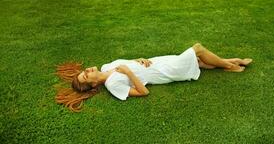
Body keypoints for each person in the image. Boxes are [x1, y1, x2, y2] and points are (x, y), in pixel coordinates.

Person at [55, 43, 253, 112]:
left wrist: (137, 59)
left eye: (85, 71)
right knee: (197, 49)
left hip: (156, 61)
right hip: (163, 73)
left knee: (200, 61)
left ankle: (231, 61)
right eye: (86, 75)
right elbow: (143, 92)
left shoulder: (107, 66)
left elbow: (128, 62)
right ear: (93, 83)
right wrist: (129, 72)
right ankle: (229, 65)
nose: (88, 70)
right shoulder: (112, 84)